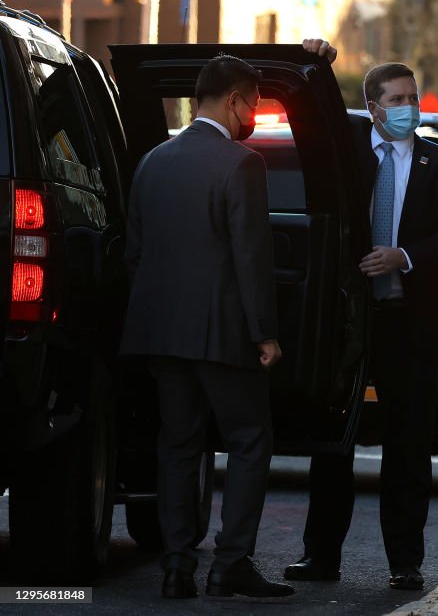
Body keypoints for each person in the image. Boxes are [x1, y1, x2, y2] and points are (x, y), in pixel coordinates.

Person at [287, 40, 438, 591]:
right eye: (396, 99)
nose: (407, 107)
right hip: (350, 322)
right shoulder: (344, 149)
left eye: (412, 98)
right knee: (334, 443)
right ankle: (320, 556)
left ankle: (404, 562)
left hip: (410, 324)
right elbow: (306, 112)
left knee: (408, 446)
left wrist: (405, 256)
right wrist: (314, 60)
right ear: (372, 107)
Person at [120, 55, 293, 599]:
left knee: (177, 444)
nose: (252, 117)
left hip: (159, 331)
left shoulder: (152, 161)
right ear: (236, 99)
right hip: (221, 332)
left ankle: (176, 567)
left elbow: (135, 253)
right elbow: (250, 255)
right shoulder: (242, 164)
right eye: (253, 106)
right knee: (249, 439)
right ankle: (230, 563)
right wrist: (265, 332)